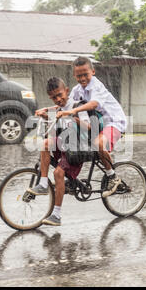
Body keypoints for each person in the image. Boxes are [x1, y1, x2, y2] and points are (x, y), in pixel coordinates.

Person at [57, 56, 127, 199]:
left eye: (85, 74)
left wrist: (73, 111)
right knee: (75, 145)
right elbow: (66, 105)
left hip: (113, 122)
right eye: (79, 75)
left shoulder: (96, 86)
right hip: (94, 124)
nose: (82, 78)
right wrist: (47, 111)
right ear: (74, 75)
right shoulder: (77, 90)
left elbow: (93, 104)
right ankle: (72, 179)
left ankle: (112, 177)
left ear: (93, 72)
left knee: (98, 143)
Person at [27, 77, 91, 226]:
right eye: (53, 97)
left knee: (57, 173)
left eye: (60, 95)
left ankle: (56, 214)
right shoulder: (59, 108)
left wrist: (72, 117)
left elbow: (88, 127)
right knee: (45, 143)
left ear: (67, 91)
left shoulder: (77, 106)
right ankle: (43, 184)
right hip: (64, 145)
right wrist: (45, 115)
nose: (57, 99)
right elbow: (57, 124)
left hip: (76, 148)